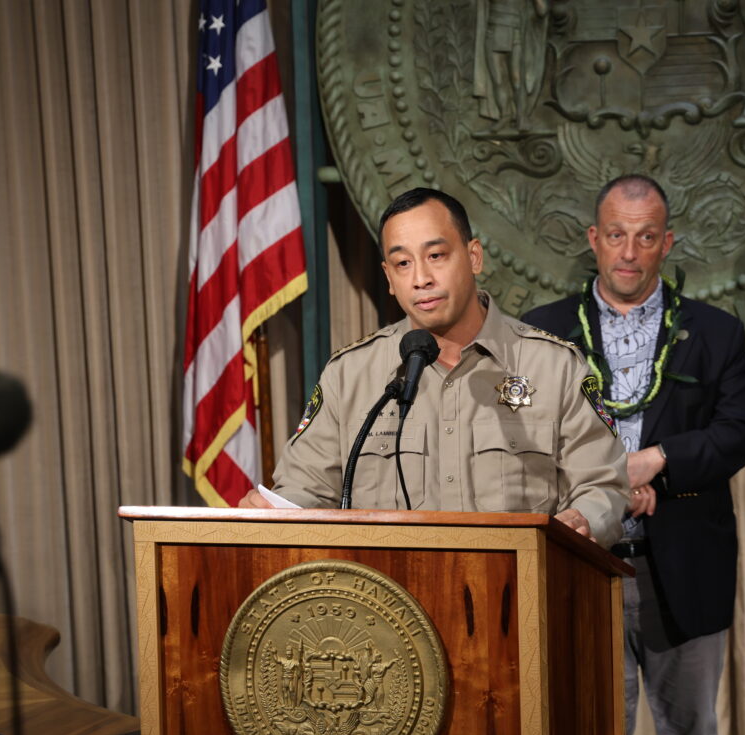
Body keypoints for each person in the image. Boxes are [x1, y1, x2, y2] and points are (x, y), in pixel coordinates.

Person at [239, 187, 629, 549]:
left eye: (436, 256)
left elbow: (602, 485)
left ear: (473, 256)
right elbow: (307, 489)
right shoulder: (350, 374)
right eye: (402, 263)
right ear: (389, 278)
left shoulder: (553, 366)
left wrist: (586, 521)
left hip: (520, 601)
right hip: (388, 606)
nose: (421, 279)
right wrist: (275, 510)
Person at [521, 174, 745, 735]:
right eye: (616, 235)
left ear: (668, 242)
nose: (629, 253)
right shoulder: (541, 332)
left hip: (684, 562)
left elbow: (738, 432)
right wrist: (604, 486)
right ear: (594, 239)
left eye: (646, 237)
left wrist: (658, 461)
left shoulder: (715, 332)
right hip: (583, 564)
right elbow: (521, 436)